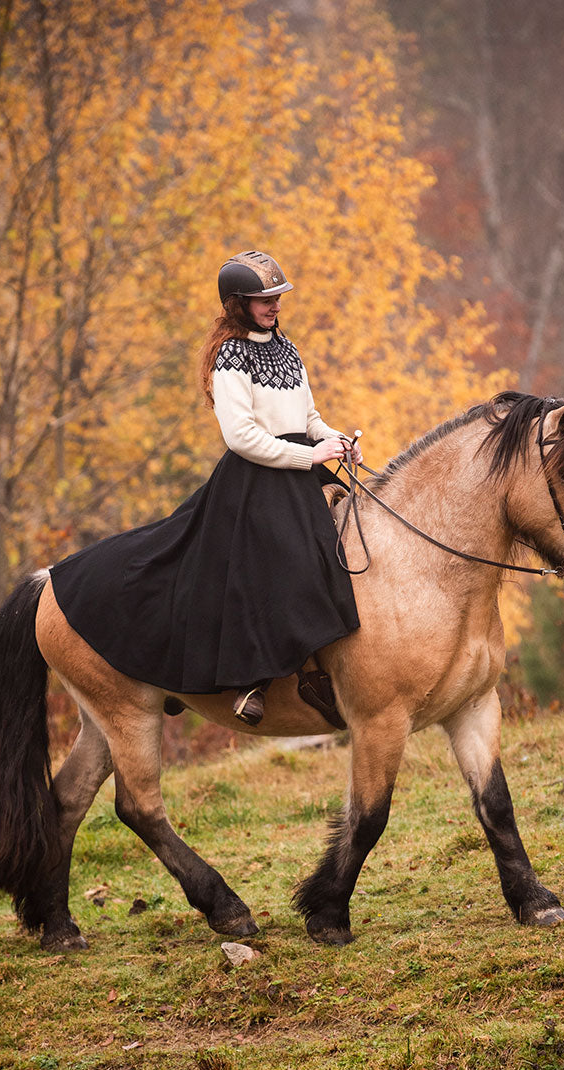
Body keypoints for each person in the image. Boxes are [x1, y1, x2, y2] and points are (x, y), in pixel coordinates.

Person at [49, 250, 360, 727]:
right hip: (257, 480)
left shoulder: (287, 348)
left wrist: (333, 440)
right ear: (237, 303)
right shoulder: (230, 357)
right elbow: (241, 438)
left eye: (277, 297)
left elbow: (308, 418)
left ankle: (331, 666)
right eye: (263, 300)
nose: (274, 305)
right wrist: (308, 455)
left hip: (300, 472)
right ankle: (253, 680)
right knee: (282, 557)